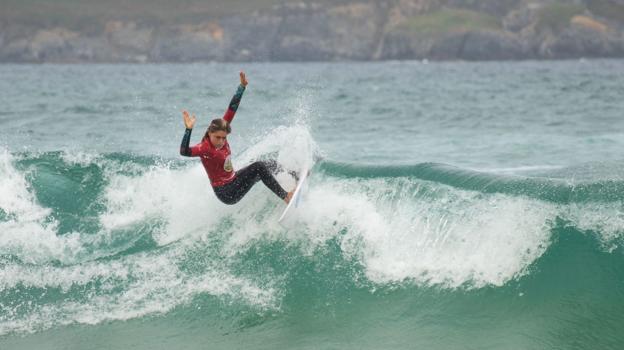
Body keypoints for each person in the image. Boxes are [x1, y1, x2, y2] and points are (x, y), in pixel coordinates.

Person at [179, 71, 294, 205]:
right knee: (259, 167)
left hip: (233, 180)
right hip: (226, 192)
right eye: (218, 137)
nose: (221, 141)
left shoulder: (222, 132)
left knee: (268, 164)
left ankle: (294, 175)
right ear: (209, 132)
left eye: (224, 138)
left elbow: (231, 109)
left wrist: (241, 87)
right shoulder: (204, 148)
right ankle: (286, 197)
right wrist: (188, 129)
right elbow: (184, 151)